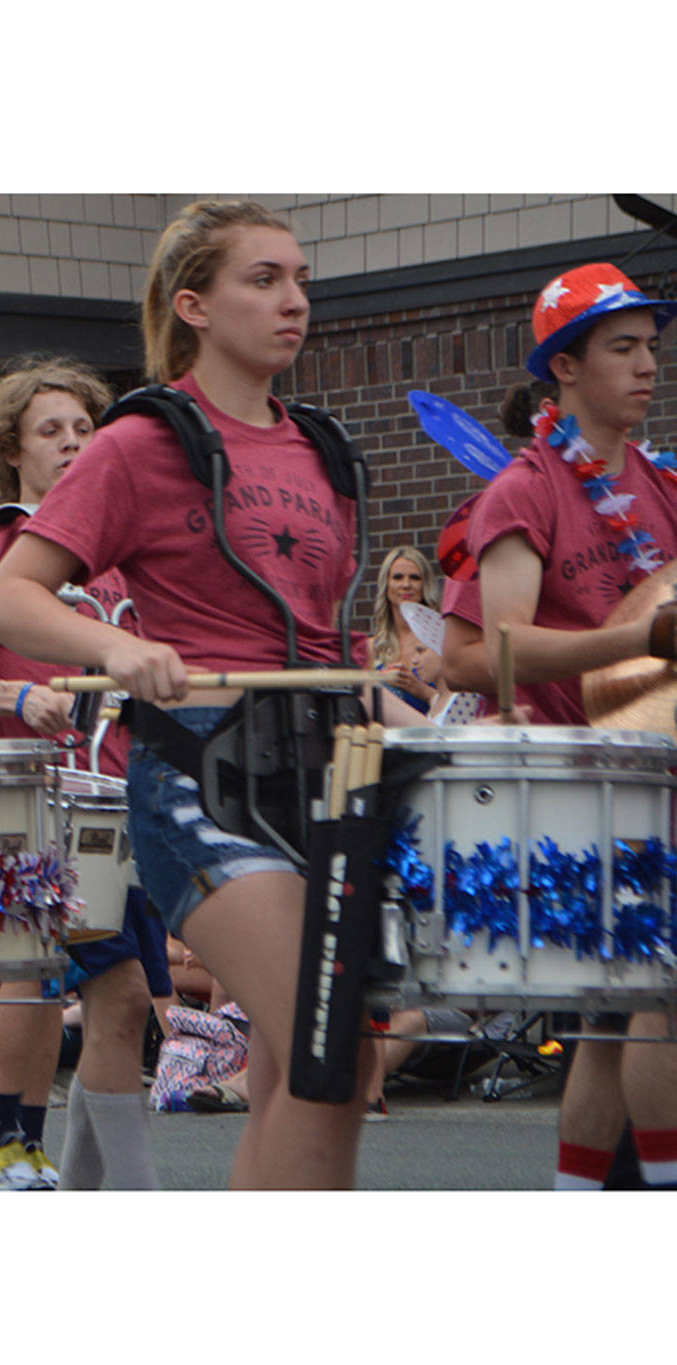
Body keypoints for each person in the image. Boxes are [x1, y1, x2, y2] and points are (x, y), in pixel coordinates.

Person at [0, 200, 379, 1188]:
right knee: (314, 1043)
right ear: (191, 304)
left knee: (327, 1060)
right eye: (262, 280)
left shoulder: (320, 449)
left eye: (298, 280)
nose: (291, 301)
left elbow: (323, 631)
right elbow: (9, 598)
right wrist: (115, 651)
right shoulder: (141, 441)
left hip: (323, 771)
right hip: (198, 776)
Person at [0, 356, 173, 1190]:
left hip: (126, 803)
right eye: (49, 431)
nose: (70, 444)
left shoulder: (123, 557)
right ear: (8, 449)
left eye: (84, 430)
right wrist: (15, 695)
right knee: (108, 990)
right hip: (25, 799)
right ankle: (12, 1146)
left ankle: (44, 1167)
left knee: (119, 1004)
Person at [438, 262, 677, 1190]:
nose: (648, 364)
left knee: (622, 1017)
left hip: (656, 773)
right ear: (565, 369)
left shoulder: (662, 490)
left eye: (652, 346)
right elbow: (475, 656)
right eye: (622, 347)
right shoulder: (526, 491)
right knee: (658, 998)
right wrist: (634, 642)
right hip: (579, 789)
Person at [366, 546, 443, 714]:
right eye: (397, 577)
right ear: (386, 585)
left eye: (414, 578)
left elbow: (459, 704)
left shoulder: (440, 640)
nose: (406, 585)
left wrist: (423, 691)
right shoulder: (372, 648)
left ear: (425, 586)